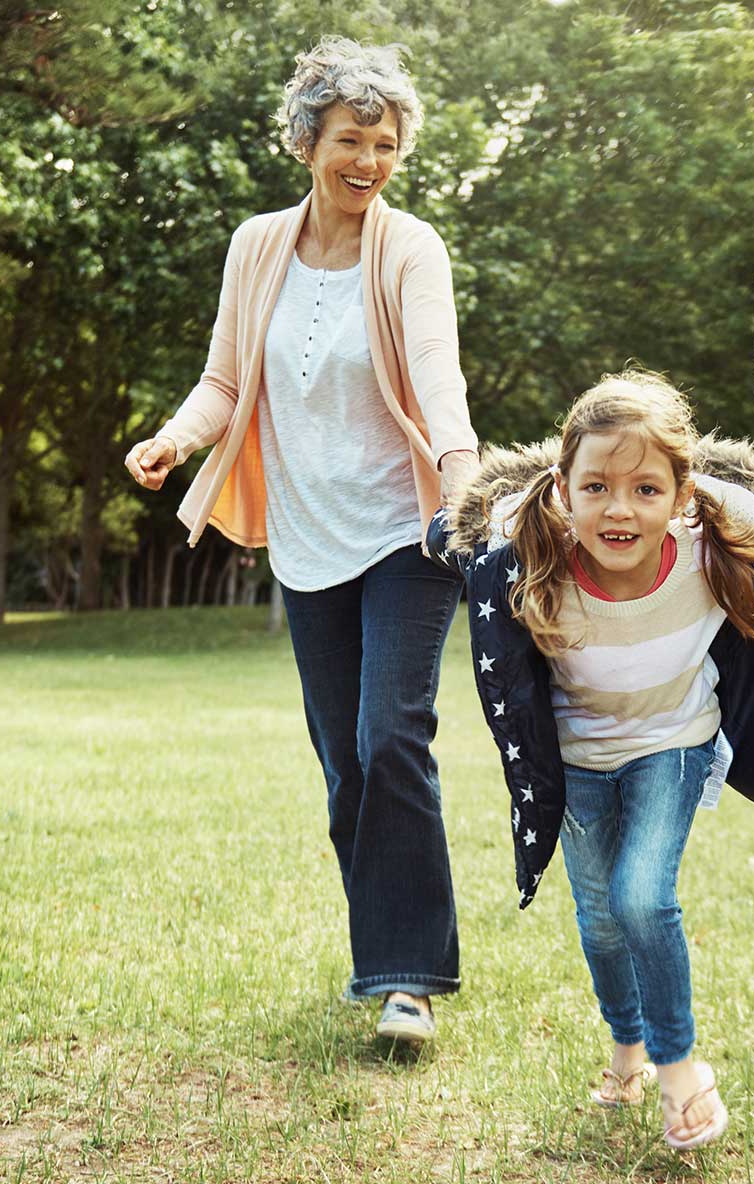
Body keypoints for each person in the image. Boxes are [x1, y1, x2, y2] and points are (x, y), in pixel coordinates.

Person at [122, 37, 481, 1046]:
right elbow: (226, 379)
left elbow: (436, 373)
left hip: (408, 530)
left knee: (390, 737)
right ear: (305, 141)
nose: (368, 162)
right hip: (310, 541)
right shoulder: (257, 246)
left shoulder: (410, 249)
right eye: (350, 141)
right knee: (345, 764)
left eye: (386, 144)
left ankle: (408, 980)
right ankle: (384, 954)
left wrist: (459, 479)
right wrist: (173, 438)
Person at [426, 372, 754, 1150]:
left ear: (682, 495)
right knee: (598, 917)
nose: (620, 509)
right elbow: (479, 524)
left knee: (641, 898)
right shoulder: (532, 552)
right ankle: (627, 1048)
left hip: (674, 746)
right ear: (563, 489)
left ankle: (679, 1066)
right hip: (579, 759)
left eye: (646, 488)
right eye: (596, 487)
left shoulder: (705, 544)